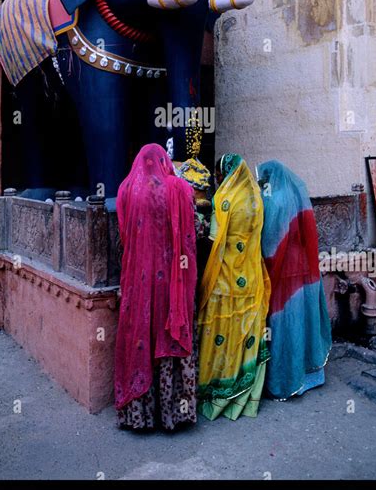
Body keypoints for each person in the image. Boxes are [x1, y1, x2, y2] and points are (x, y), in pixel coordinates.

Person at [114, 143, 197, 430]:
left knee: (140, 337)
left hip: (138, 283)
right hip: (172, 283)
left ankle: (140, 416)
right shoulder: (180, 189)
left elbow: (125, 235)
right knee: (169, 337)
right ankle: (175, 415)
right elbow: (191, 236)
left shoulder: (126, 189)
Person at [197, 154, 271, 420]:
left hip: (226, 278)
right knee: (246, 332)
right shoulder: (256, 198)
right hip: (251, 276)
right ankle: (245, 396)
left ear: (225, 173)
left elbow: (215, 240)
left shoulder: (224, 199)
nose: (218, 179)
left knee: (221, 332)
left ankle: (218, 390)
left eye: (218, 174)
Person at [256, 160, 332, 400]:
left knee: (284, 326)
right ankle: (312, 376)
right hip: (304, 270)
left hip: (284, 273)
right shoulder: (295, 194)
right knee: (305, 322)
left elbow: (269, 243)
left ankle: (286, 378)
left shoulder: (273, 200)